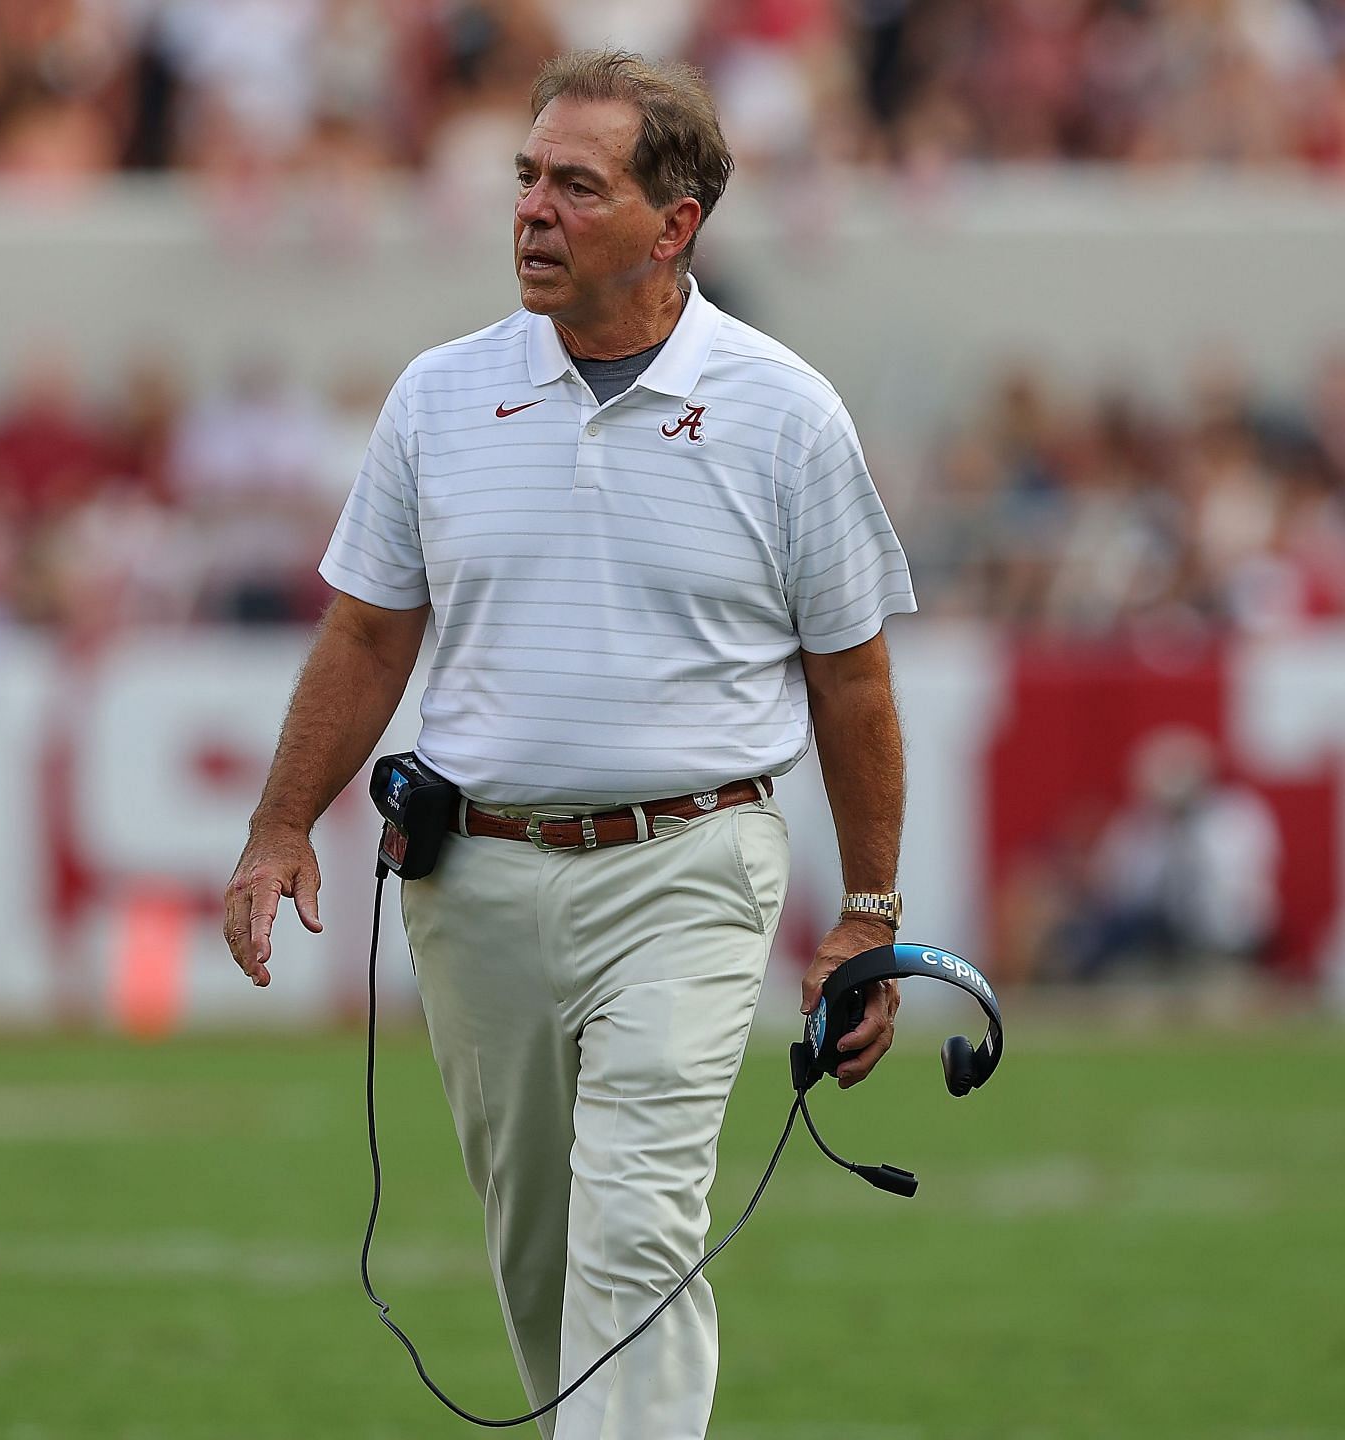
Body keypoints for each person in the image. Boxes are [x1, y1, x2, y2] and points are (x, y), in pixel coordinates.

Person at [222, 49, 915, 1440]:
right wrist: (282, 822)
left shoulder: (785, 409)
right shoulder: (438, 395)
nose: (532, 210)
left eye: (575, 186)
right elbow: (366, 637)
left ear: (675, 225)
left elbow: (852, 679)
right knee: (539, 1260)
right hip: (473, 881)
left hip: (690, 861)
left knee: (641, 1227)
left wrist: (870, 914)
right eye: (526, 178)